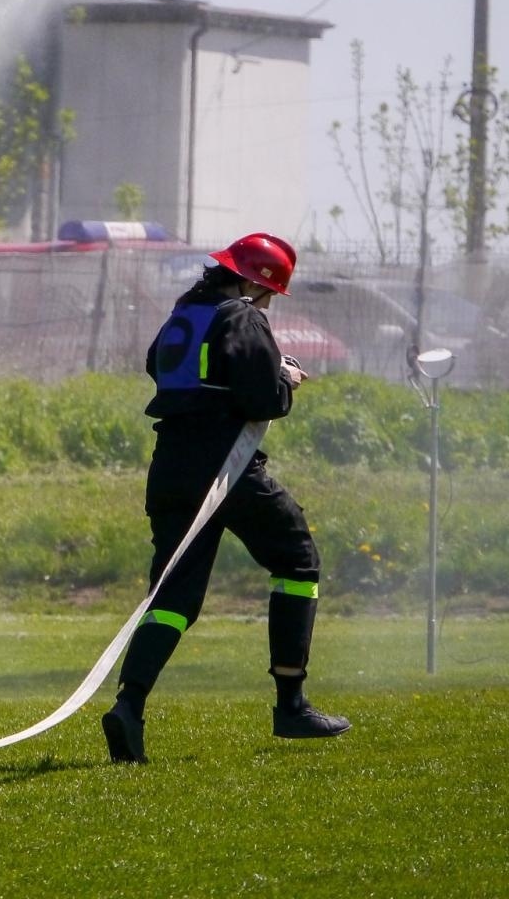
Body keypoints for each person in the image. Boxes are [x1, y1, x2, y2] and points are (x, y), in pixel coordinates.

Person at [102, 232, 349, 763]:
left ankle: (128, 707)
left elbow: (162, 367)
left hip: (170, 464)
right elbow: (262, 400)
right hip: (227, 467)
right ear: (258, 282)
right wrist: (286, 380)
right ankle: (291, 706)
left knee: (173, 598)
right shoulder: (243, 316)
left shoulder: (186, 310)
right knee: (298, 561)